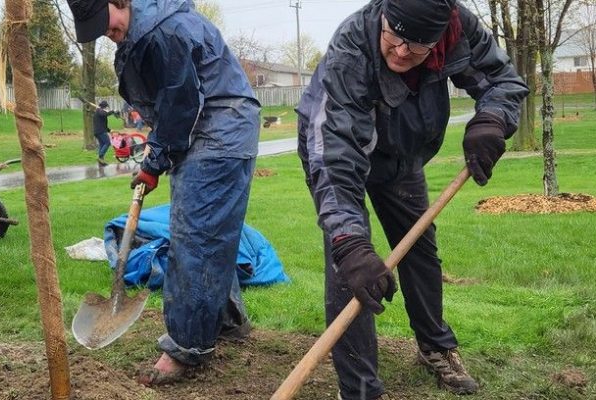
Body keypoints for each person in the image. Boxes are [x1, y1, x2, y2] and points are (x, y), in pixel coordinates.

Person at [295, 0, 528, 398]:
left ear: (439, 38)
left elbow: (503, 82)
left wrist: (492, 120)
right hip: (336, 147)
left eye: (416, 46)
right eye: (394, 37)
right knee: (351, 266)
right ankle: (361, 389)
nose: (401, 52)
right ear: (383, 15)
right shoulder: (352, 49)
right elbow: (334, 157)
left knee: (420, 247)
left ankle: (435, 347)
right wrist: (349, 242)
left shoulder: (459, 30)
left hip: (401, 152)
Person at [68, 0, 261, 385]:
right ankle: (225, 319)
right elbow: (168, 105)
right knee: (208, 232)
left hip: (217, 131)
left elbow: (180, 105)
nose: (107, 33)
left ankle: (186, 348)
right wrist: (156, 156)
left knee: (195, 237)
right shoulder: (148, 28)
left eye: (105, 22)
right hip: (213, 129)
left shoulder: (163, 31)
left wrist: (154, 162)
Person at [93, 100, 119, 165]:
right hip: (101, 131)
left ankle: (101, 160)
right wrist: (112, 111)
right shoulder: (99, 111)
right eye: (106, 107)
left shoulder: (99, 112)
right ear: (104, 106)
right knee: (107, 143)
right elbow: (105, 114)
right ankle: (100, 156)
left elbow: (102, 124)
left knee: (102, 144)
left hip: (97, 131)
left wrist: (109, 130)